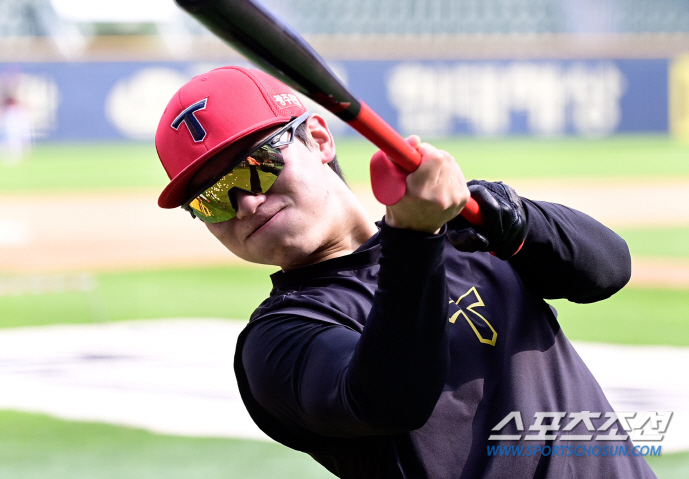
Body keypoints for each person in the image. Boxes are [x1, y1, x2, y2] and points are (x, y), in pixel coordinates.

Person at [155, 66, 656, 478]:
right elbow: (391, 399)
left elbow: (608, 270)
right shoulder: (278, 341)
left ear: (318, 138)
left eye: (256, 165)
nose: (246, 203)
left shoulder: (466, 232)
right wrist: (414, 238)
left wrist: (506, 213)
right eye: (212, 199)